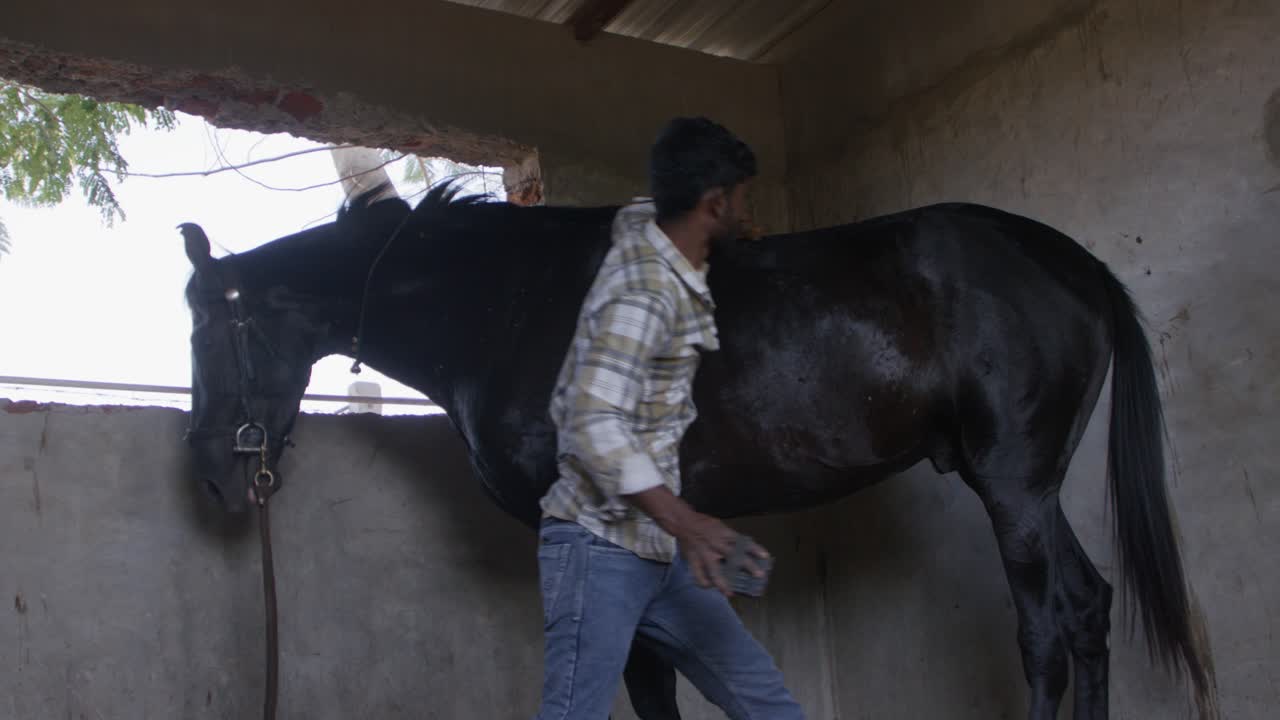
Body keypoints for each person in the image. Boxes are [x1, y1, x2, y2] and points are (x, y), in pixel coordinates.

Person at [534, 117, 805, 720]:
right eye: (741, 199)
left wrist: (675, 533)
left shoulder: (648, 231)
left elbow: (636, 211)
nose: (746, 210)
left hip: (655, 551)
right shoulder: (646, 295)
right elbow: (592, 418)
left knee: (764, 698)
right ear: (713, 203)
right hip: (597, 549)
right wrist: (688, 523)